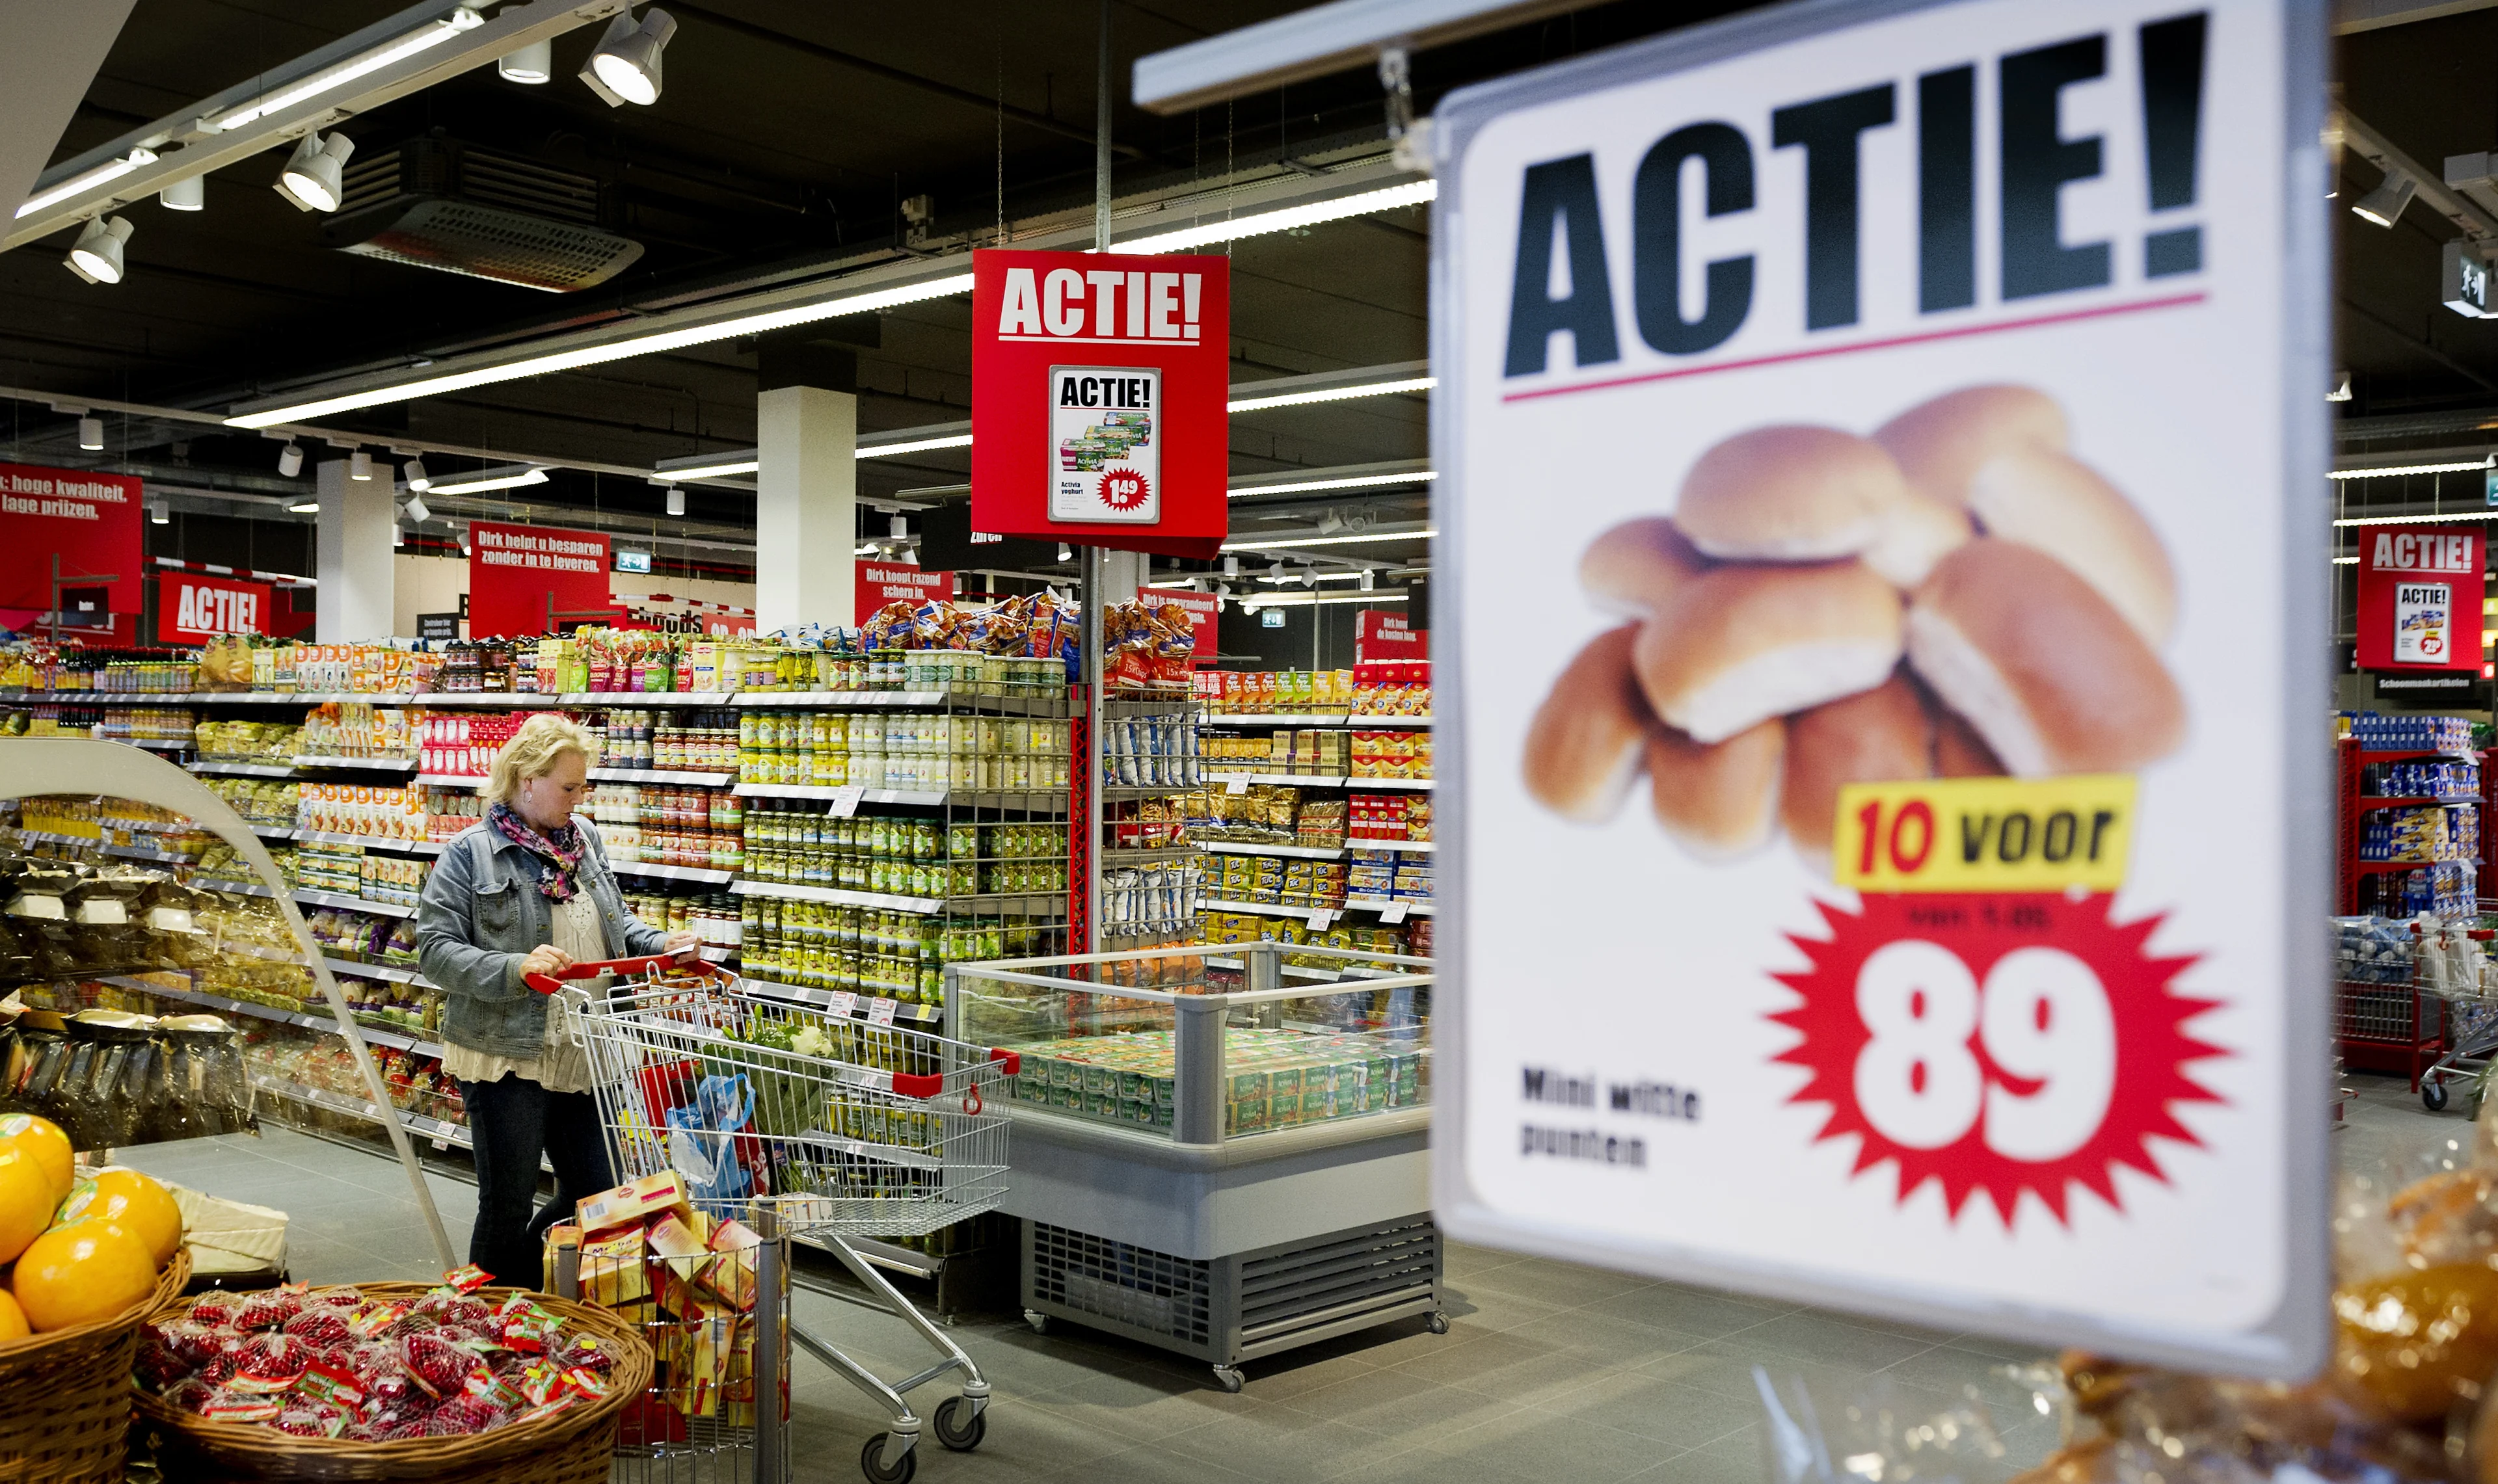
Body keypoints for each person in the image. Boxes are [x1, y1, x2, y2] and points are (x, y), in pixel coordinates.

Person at [417, 712, 693, 1287]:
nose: (580, 796)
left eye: (583, 785)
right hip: (511, 1053)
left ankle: (530, 1292)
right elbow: (436, 952)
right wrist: (515, 967)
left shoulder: (584, 839)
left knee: (596, 1195)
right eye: (570, 786)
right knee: (508, 1204)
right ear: (526, 780)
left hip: (586, 1049)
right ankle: (485, 1326)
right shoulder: (470, 854)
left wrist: (662, 945)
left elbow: (614, 926)